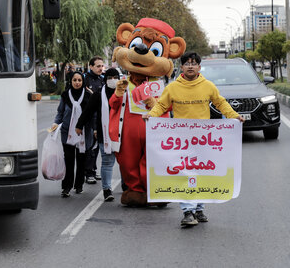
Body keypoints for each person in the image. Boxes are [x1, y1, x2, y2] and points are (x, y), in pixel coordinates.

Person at [145, 52, 244, 227]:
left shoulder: (208, 86)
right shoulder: (173, 88)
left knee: (202, 173)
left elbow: (220, 103)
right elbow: (161, 104)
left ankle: (199, 208)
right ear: (181, 67)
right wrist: (151, 116)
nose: (190, 66)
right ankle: (187, 212)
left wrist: (234, 116)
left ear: (199, 67)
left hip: (204, 140)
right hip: (180, 141)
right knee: (185, 172)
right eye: (187, 63)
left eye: (194, 63)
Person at [77, 68, 121, 201]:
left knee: (125, 162)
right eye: (110, 77)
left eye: (115, 77)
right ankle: (107, 190)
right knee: (107, 162)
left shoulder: (125, 94)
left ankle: (127, 186)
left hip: (122, 133)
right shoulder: (98, 95)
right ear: (105, 79)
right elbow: (88, 111)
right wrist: (79, 125)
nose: (113, 80)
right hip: (105, 134)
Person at [51, 71, 91, 197]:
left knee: (81, 160)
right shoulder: (65, 95)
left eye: (79, 80)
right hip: (67, 132)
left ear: (83, 82)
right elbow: (60, 112)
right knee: (68, 160)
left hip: (83, 133)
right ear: (71, 81)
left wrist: (94, 129)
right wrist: (55, 123)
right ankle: (66, 187)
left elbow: (93, 114)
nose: (77, 83)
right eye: (75, 80)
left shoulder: (88, 96)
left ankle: (78, 185)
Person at [83, 56, 105, 184]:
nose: (100, 68)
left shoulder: (102, 80)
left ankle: (93, 169)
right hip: (89, 119)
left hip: (100, 117)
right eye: (98, 66)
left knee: (97, 146)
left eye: (101, 66)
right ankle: (88, 172)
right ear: (91, 66)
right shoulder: (85, 80)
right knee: (90, 145)